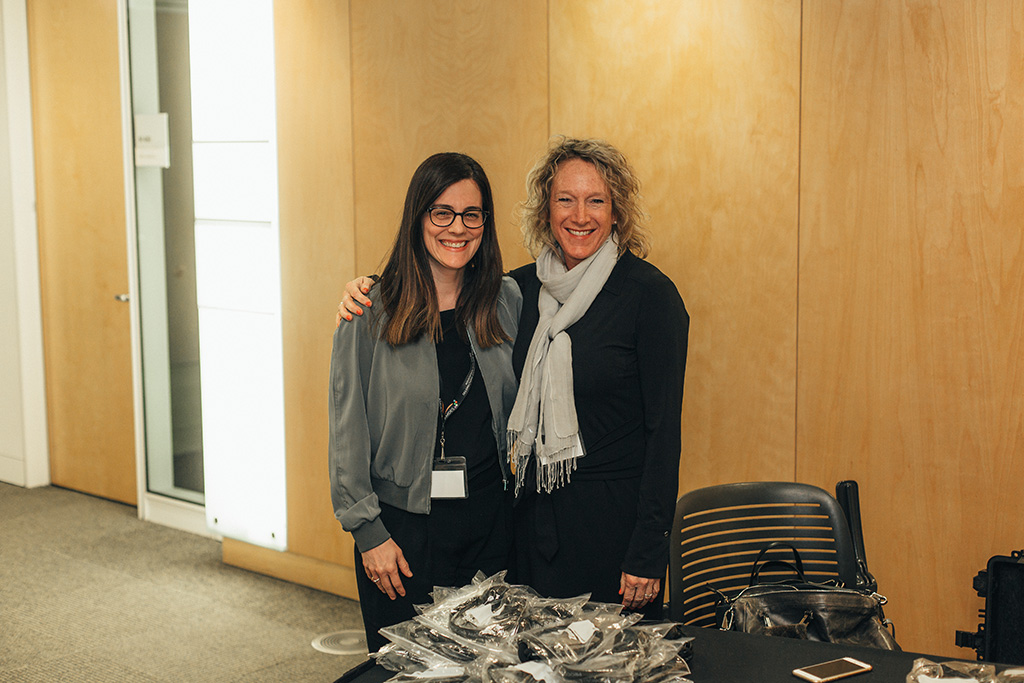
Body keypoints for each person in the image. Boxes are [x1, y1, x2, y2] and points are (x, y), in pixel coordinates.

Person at [338, 138, 688, 618]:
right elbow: (350, 428)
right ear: (546, 209)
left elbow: (663, 435)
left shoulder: (649, 297)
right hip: (525, 531)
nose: (579, 215)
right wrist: (366, 288)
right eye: (565, 199)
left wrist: (649, 548)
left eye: (596, 200)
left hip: (606, 530)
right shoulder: (519, 291)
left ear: (617, 211)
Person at [329, 152, 522, 652]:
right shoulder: (369, 310)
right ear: (418, 217)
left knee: (486, 665)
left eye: (471, 214)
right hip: (401, 535)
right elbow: (347, 432)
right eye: (442, 212)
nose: (457, 227)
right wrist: (368, 533)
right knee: (407, 668)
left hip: (490, 526)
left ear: (485, 223)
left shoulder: (506, 300)